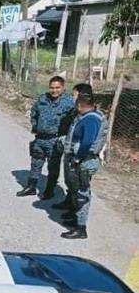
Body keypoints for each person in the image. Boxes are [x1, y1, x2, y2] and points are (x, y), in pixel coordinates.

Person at [17, 76, 75, 199]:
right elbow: (34, 112)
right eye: (52, 88)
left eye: (57, 88)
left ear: (63, 88)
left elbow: (73, 121)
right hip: (40, 138)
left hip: (55, 140)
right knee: (35, 163)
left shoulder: (69, 102)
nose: (54, 91)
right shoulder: (43, 98)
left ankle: (49, 190)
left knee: (53, 166)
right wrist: (35, 125)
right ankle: (31, 187)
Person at [60, 93, 106, 240]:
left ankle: (81, 229)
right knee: (77, 190)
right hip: (83, 160)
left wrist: (78, 158)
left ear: (80, 105)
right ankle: (76, 218)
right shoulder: (91, 116)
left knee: (82, 194)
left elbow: (87, 142)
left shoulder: (91, 119)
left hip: (85, 161)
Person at [51, 83, 93, 211]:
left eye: (74, 95)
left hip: (81, 156)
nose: (72, 97)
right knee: (70, 180)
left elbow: (87, 140)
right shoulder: (75, 111)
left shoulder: (89, 115)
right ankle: (69, 202)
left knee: (80, 186)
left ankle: (77, 215)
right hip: (71, 152)